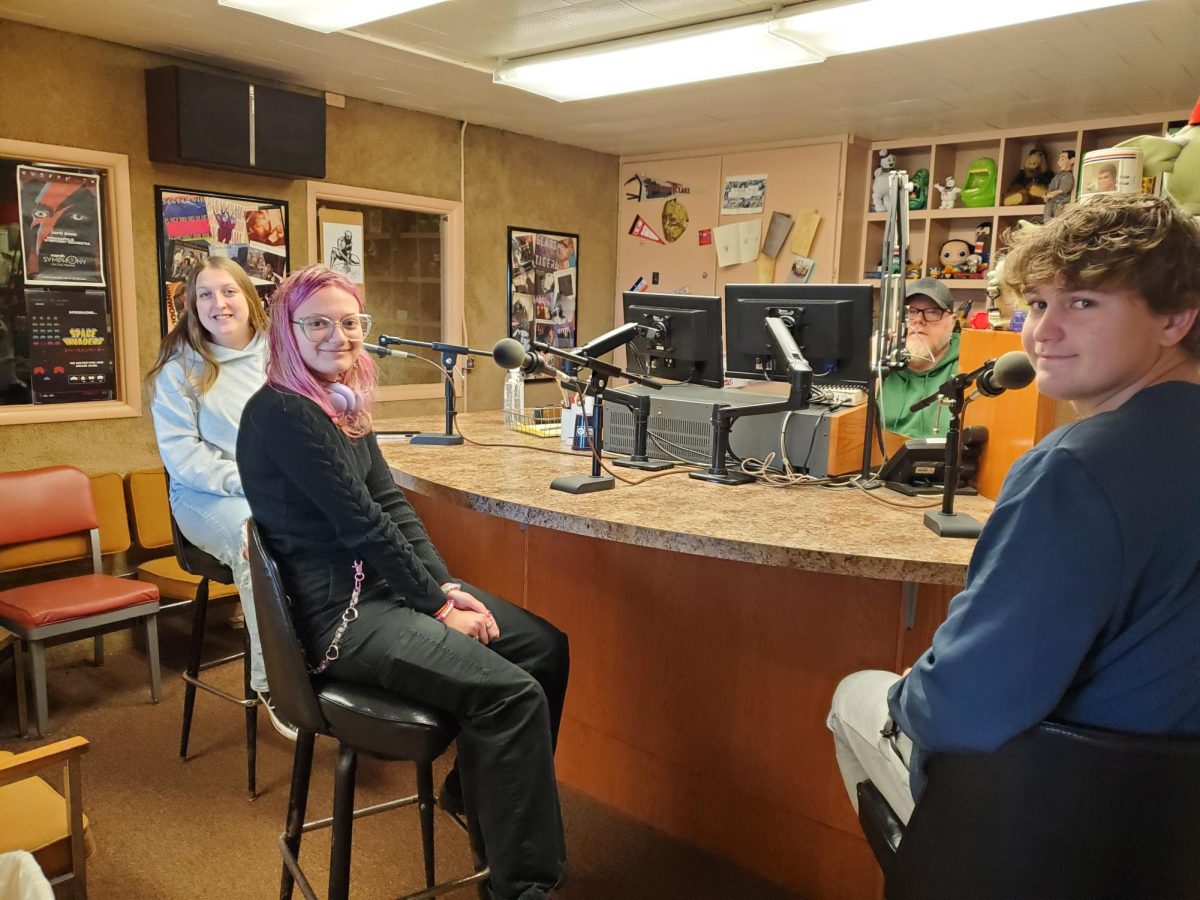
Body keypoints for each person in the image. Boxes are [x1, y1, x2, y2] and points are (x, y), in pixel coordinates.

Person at [828, 193, 1200, 825]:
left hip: (1066, 811)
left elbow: (961, 708)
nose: (1042, 332)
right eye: (1037, 304)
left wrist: (914, 688)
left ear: (1175, 320)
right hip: (1171, 814)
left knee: (857, 695)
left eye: (1083, 302)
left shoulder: (1076, 469)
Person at [235, 265, 569, 900]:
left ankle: (477, 797)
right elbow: (363, 527)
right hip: (341, 621)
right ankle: (522, 886)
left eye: (351, 322)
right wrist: (441, 611)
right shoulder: (284, 415)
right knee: (513, 695)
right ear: (288, 331)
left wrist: (445, 588)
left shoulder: (339, 405)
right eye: (319, 323)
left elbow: (389, 504)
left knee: (543, 647)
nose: (340, 335)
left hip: (384, 594)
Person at [147, 256, 296, 740]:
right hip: (205, 497)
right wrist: (251, 482)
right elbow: (182, 458)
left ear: (249, 299)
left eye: (227, 291)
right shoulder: (179, 370)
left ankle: (332, 658)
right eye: (205, 295)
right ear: (192, 307)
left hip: (277, 490)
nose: (218, 303)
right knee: (254, 534)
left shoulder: (281, 357)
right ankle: (274, 683)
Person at [878, 278, 961, 438]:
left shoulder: (968, 363)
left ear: (952, 321)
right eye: (910, 311)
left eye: (932, 312)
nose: (918, 320)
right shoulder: (881, 363)